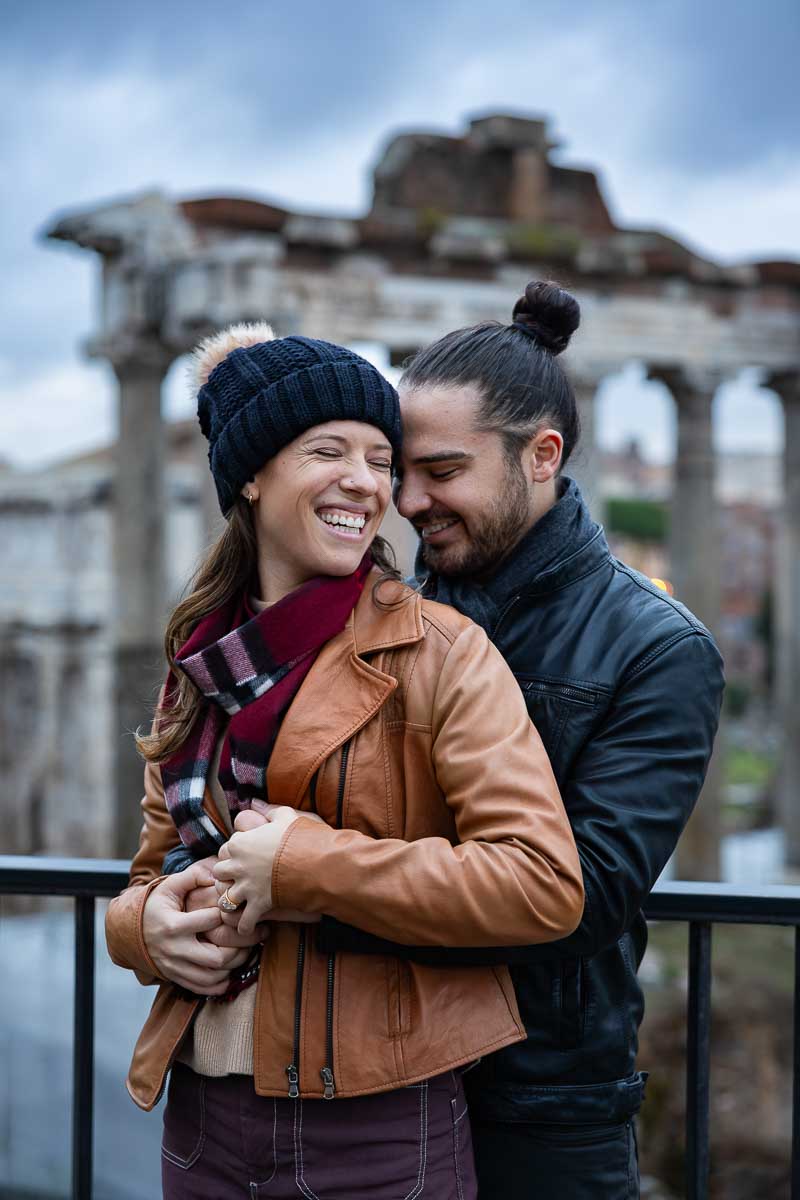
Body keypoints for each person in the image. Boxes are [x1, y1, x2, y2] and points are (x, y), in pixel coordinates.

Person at [105, 325, 584, 1199]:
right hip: (202, 1115)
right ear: (251, 475)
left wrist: (306, 866)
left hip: (376, 1128)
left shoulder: (442, 652)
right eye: (328, 451)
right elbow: (150, 871)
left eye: (380, 460)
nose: (366, 483)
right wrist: (143, 930)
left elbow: (541, 882)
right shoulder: (198, 664)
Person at [313, 281, 726, 1199]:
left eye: (442, 471)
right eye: (402, 472)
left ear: (542, 456)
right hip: (374, 1085)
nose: (407, 501)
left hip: (542, 1108)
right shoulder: (385, 614)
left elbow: (582, 896)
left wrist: (313, 891)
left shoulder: (659, 648)